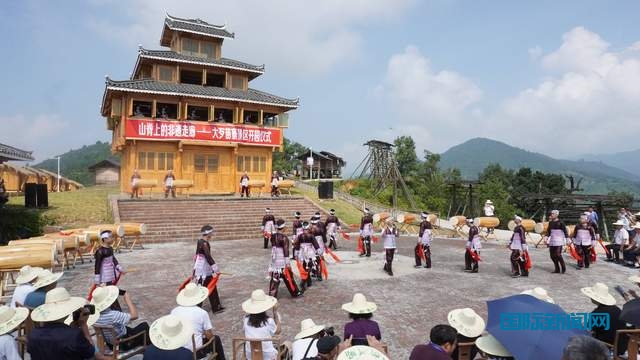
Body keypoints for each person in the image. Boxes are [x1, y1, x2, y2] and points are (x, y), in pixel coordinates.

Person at [28, 288, 96, 360]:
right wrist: (83, 325)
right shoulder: (74, 335)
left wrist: (71, 327)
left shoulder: (33, 334)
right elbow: (91, 352)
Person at [171, 283, 226, 359]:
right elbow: (209, 335)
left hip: (178, 349)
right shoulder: (201, 313)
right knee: (216, 339)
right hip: (195, 351)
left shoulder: (174, 311)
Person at [92, 286, 150, 351]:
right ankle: (151, 350)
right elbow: (135, 315)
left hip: (110, 344)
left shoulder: (94, 317)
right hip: (122, 343)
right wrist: (128, 300)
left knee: (128, 328)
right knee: (144, 326)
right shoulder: (113, 315)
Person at [580, 282, 630, 355]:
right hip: (622, 345)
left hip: (608, 347)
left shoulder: (597, 313)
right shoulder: (617, 309)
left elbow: (589, 329)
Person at [193, 225, 224, 314]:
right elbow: (208, 256)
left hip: (202, 267)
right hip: (203, 270)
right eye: (211, 232)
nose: (212, 234)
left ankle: (216, 306)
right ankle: (196, 308)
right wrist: (215, 268)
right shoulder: (204, 243)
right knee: (202, 288)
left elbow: (197, 255)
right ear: (208, 233)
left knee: (211, 286)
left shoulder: (200, 241)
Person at [241, 289, 280, 360]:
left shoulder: (245, 320)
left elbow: (244, 332)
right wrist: (275, 312)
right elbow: (278, 331)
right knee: (286, 345)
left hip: (250, 356)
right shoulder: (269, 321)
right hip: (268, 356)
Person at [268, 219, 302, 298]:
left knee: (275, 277)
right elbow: (286, 251)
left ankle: (272, 295)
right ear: (283, 228)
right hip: (282, 260)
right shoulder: (284, 238)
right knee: (288, 276)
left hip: (274, 260)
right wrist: (287, 263)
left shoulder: (273, 236)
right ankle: (295, 292)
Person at [94, 229, 125, 310]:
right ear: (104, 239)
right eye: (110, 237)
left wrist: (119, 268)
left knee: (110, 292)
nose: (112, 239)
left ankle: (114, 309)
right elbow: (97, 266)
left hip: (110, 275)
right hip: (104, 277)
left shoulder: (110, 248)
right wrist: (97, 282)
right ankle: (117, 310)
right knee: (109, 294)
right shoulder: (100, 251)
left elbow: (113, 259)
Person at [295, 221, 320, 291]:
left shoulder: (300, 236)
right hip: (309, 252)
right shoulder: (311, 235)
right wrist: (318, 252)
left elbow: (297, 245)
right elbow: (316, 245)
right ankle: (304, 281)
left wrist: (296, 254)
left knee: (305, 266)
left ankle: (308, 281)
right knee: (308, 266)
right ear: (308, 227)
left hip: (302, 252)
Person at [545, 209, 569, 274]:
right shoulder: (550, 223)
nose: (551, 215)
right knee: (552, 256)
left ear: (556, 215)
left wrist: (567, 239)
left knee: (558, 254)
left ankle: (563, 267)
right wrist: (546, 237)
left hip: (559, 241)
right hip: (552, 241)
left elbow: (565, 231)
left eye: (553, 214)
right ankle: (557, 269)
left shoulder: (561, 222)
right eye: (551, 214)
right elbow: (548, 231)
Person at [310, 217, 326, 282]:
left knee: (313, 258)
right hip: (320, 244)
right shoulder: (320, 229)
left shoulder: (309, 230)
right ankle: (319, 274)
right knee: (320, 259)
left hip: (312, 245)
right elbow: (324, 239)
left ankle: (315, 271)